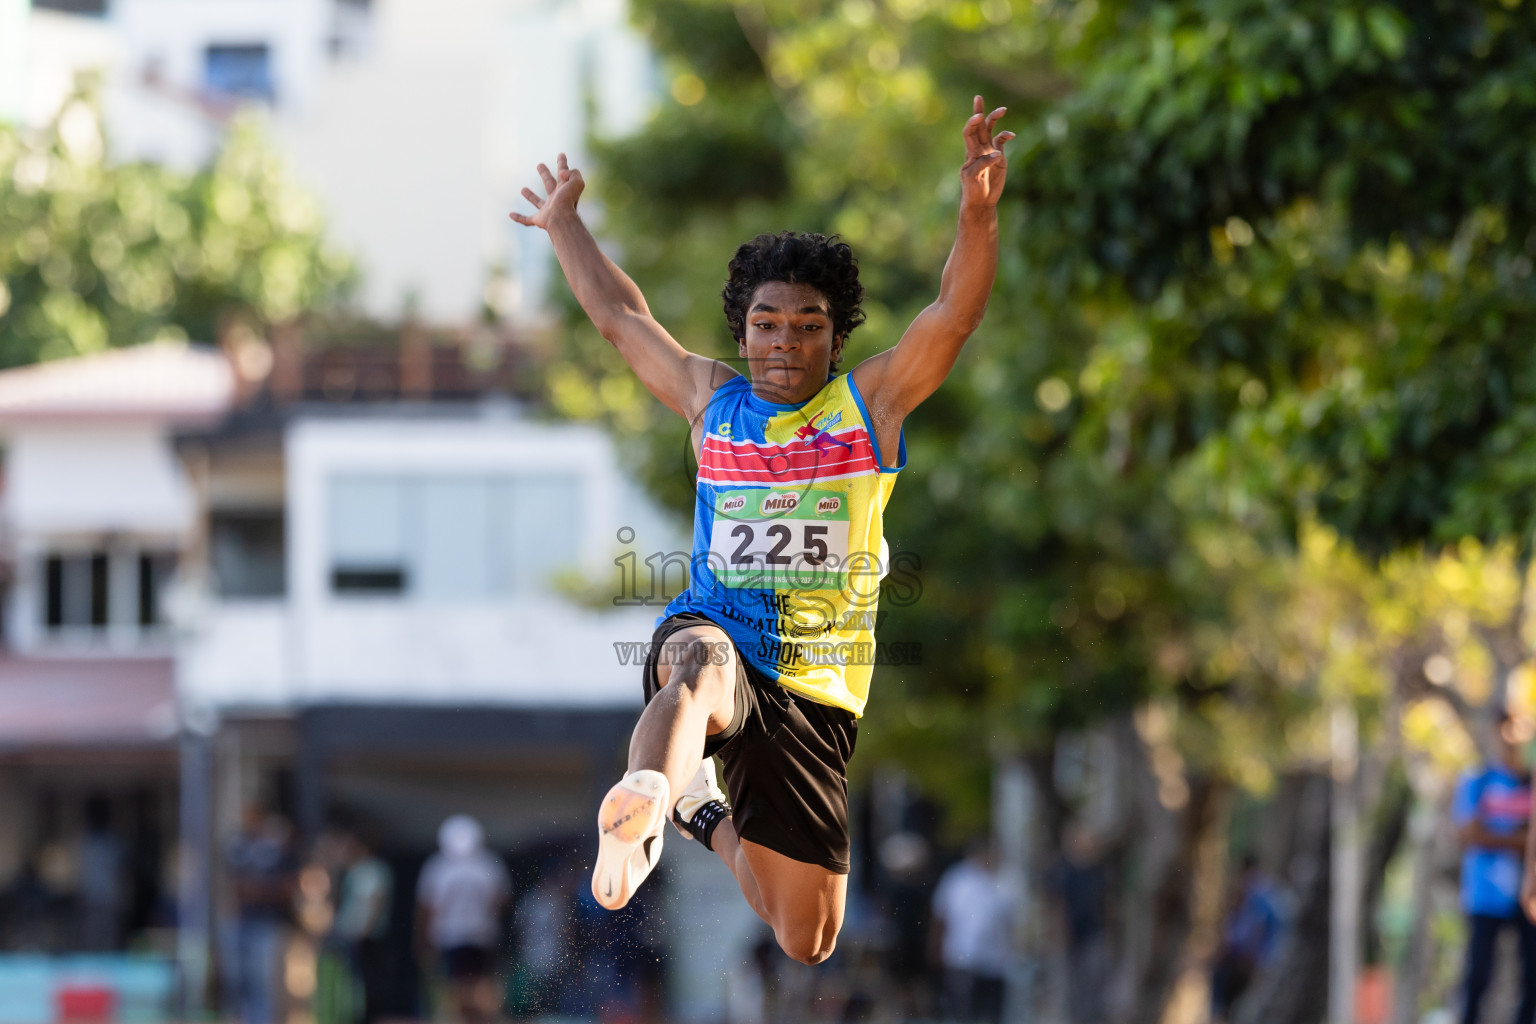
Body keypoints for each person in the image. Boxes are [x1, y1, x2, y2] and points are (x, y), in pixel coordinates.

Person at [510, 95, 1012, 966]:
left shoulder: (872, 407)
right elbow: (622, 320)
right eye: (767, 326)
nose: (785, 343)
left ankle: (697, 812)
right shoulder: (713, 402)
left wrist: (976, 211)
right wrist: (565, 228)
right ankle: (644, 797)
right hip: (720, 631)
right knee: (692, 671)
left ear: (836, 337)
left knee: (807, 936)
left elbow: (953, 318)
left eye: (808, 328)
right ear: (741, 333)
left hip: (819, 684)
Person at [1460, 712, 1534, 1024]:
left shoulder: (1530, 782)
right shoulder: (1479, 779)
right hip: (1485, 894)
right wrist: (1520, 839)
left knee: (1531, 975)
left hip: (1527, 895)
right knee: (1478, 976)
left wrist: (1501, 836)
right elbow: (1469, 834)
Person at [415, 815, 510, 1024]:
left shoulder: (438, 867)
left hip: (450, 936)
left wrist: (422, 938)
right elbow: (501, 901)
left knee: (454, 988)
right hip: (482, 934)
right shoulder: (489, 865)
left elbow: (428, 908)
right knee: (480, 986)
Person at [225, 804, 298, 1024]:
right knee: (237, 978)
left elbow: (289, 886)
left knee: (264, 981)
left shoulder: (276, 848)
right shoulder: (237, 846)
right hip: (240, 921)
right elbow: (231, 886)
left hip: (268, 922)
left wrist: (258, 891)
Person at [931, 840, 1016, 1024]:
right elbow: (941, 915)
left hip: (995, 961)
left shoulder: (1004, 882)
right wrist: (936, 949)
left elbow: (1011, 923)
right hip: (962, 957)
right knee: (963, 1011)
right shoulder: (957, 879)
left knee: (991, 1013)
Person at [1209, 855, 1285, 1023]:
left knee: (1234, 1002)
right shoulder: (1270, 890)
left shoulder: (1255, 890)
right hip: (1258, 960)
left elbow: (1256, 926)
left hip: (1247, 961)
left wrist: (1250, 957)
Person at [331, 827, 394, 1024]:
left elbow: (376, 901)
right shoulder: (354, 870)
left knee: (365, 980)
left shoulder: (372, 869)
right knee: (351, 979)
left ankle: (366, 1017)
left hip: (366, 935)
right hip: (351, 933)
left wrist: (365, 929)